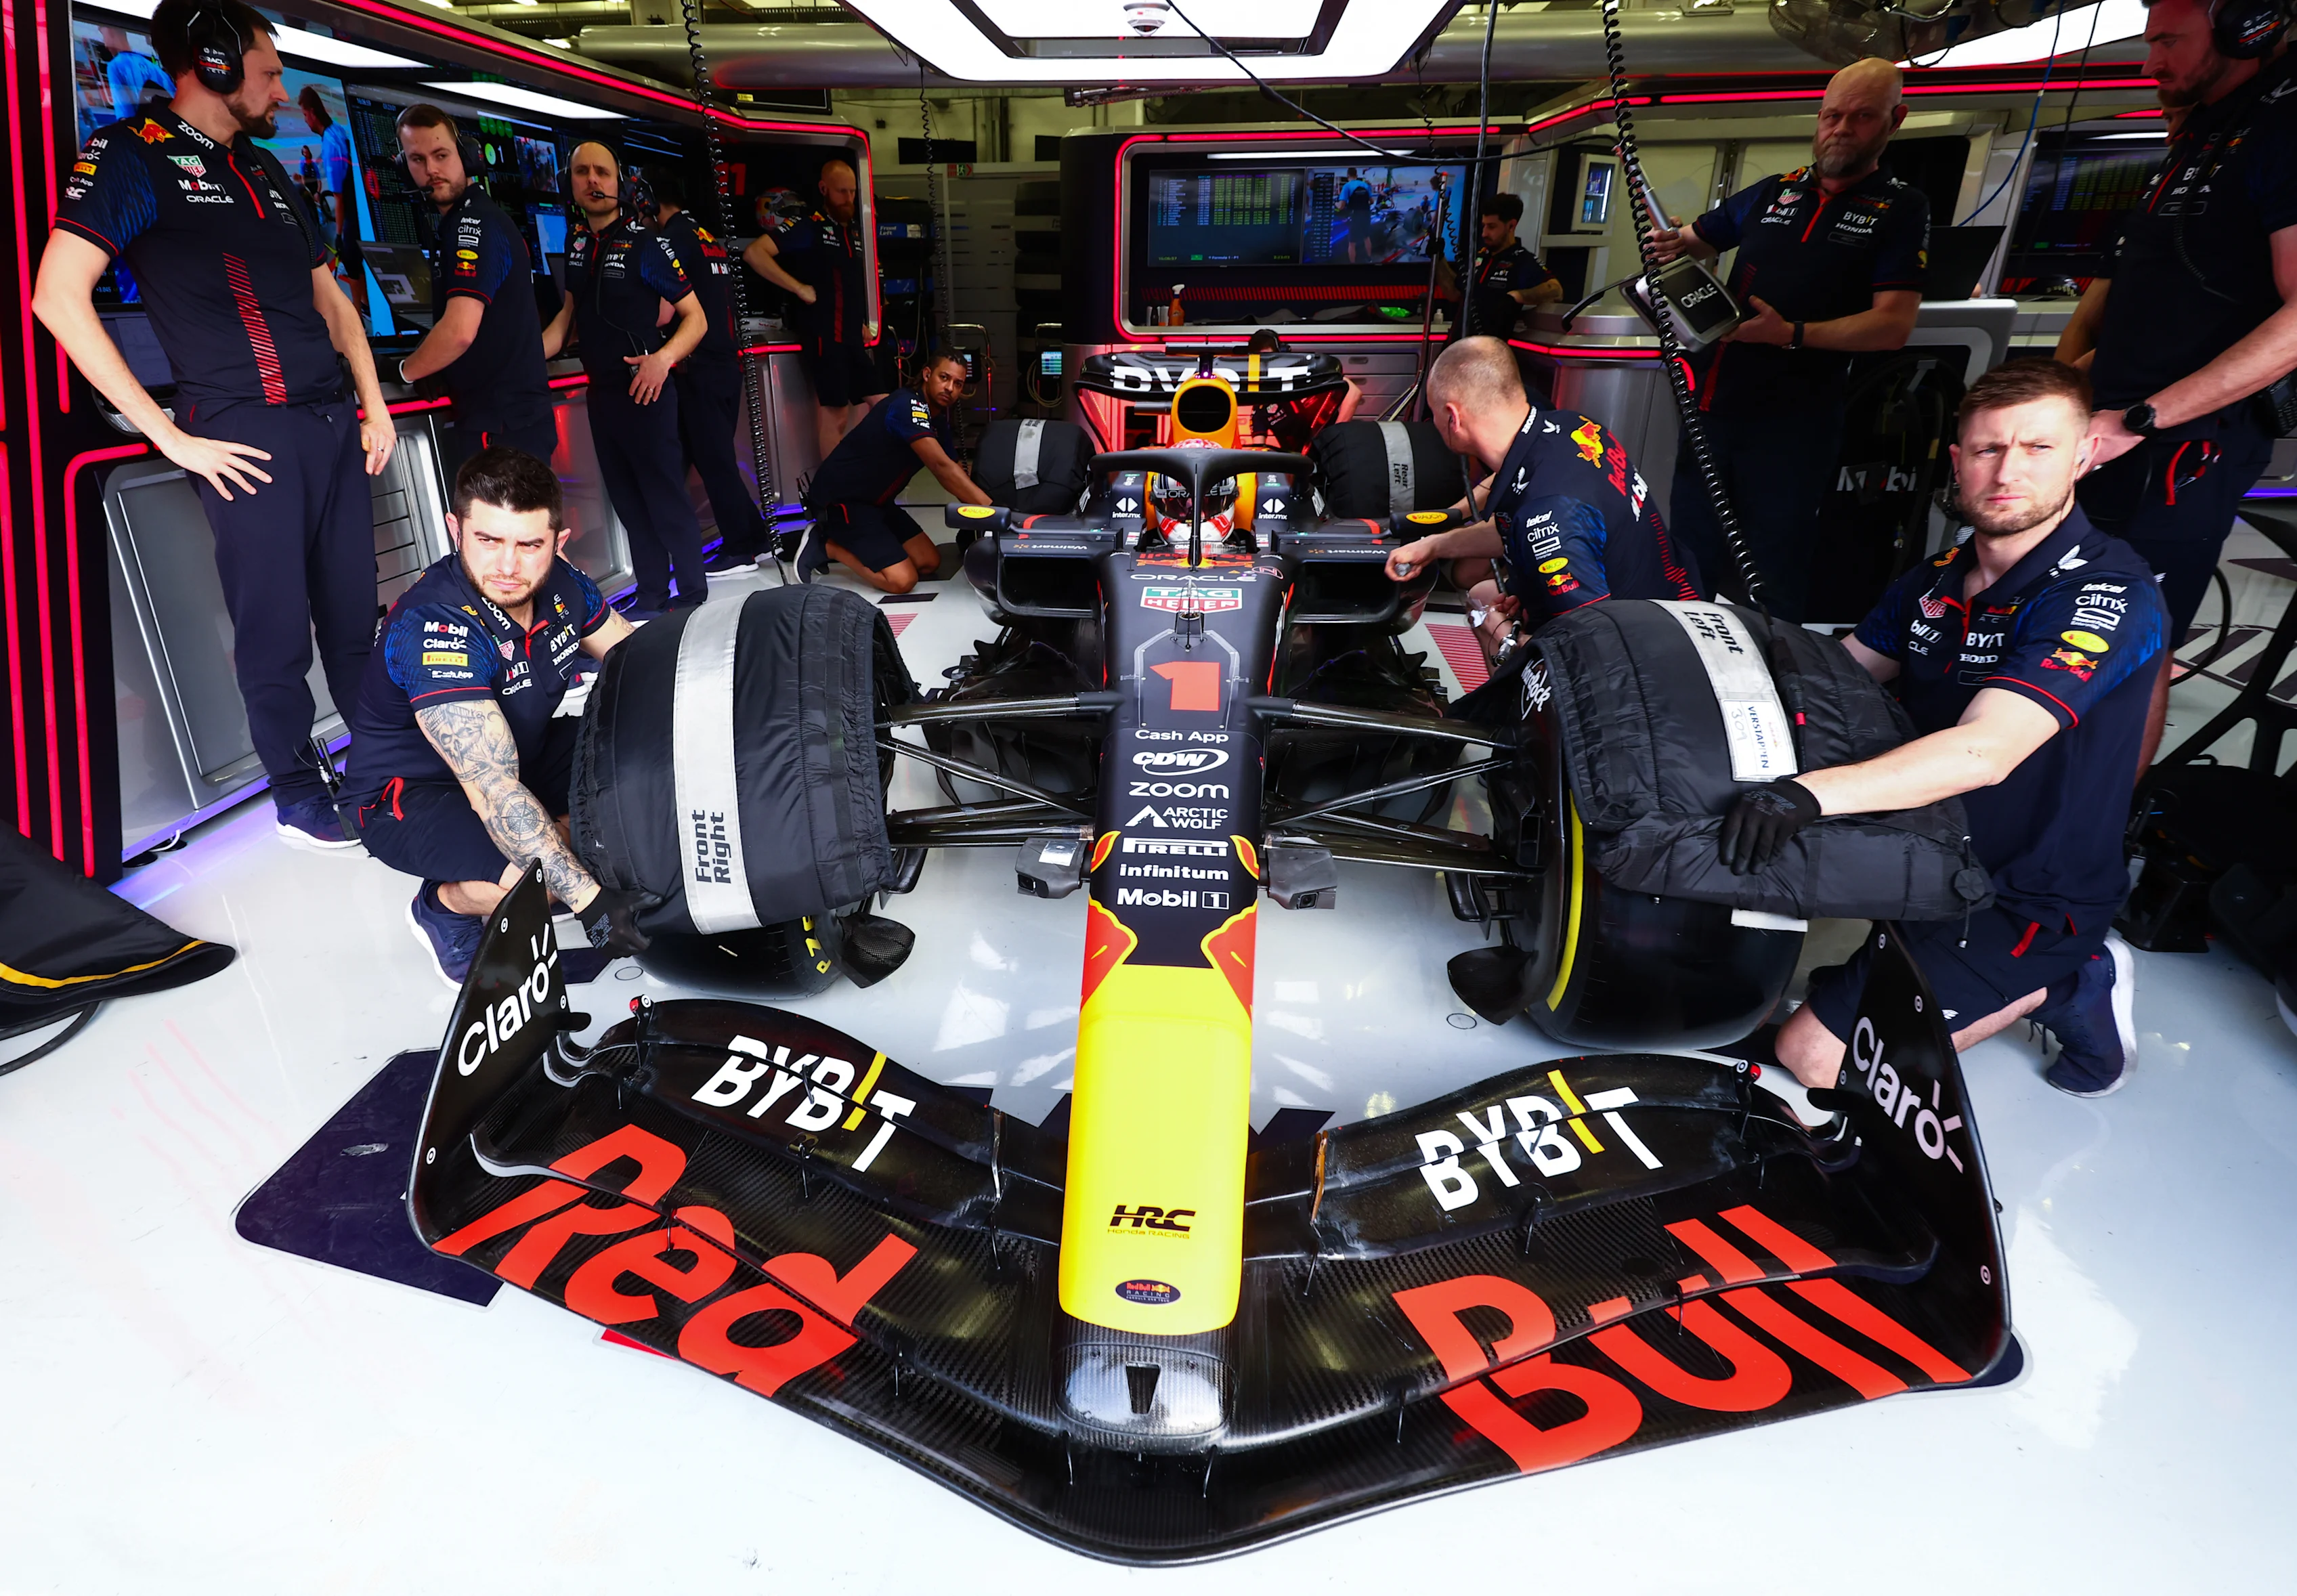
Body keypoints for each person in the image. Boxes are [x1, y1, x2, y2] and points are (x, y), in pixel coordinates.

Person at [1724, 361, 2164, 1099]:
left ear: (2084, 455)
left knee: (1812, 1058)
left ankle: (2070, 979)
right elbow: (1837, 679)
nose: (2006, 471)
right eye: (1987, 450)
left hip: (2025, 897)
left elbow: (1985, 750)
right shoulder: (1933, 578)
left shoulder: (2105, 594)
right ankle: (1890, 980)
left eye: (2037, 448)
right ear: (1956, 461)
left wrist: (1800, 795)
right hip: (1923, 859)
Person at [35, 0, 395, 850]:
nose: (280, 88)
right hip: (243, 433)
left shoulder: (265, 169)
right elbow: (56, 296)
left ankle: (382, 774)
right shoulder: (129, 156)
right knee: (273, 630)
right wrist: (167, 433)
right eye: (269, 72)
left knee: (354, 617)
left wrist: (372, 403)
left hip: (332, 423)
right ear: (217, 66)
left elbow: (333, 302)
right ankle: (300, 795)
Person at [2065, 0, 2297, 766]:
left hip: (2178, 442)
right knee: (2070, 625)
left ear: (2246, 27)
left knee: (2132, 642)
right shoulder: (2204, 128)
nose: (2148, 62)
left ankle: (2091, 856)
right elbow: (2162, 303)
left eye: (2168, 40)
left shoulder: (2283, 125)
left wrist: (2140, 417)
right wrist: (2063, 391)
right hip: (2115, 428)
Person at [340, 448, 651, 984]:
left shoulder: (566, 587)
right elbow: (493, 789)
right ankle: (443, 905)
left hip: (523, 752)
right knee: (542, 881)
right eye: (488, 540)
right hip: (410, 793)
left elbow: (639, 664)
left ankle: (554, 840)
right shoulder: (435, 627)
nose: (508, 567)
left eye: (529, 545)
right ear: (455, 529)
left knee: (645, 770)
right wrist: (592, 903)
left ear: (559, 540)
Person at [1648, 58, 1929, 623]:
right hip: (1713, 404)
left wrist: (1793, 334)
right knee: (1690, 559)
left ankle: (1777, 683)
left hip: (1794, 425)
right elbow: (1691, 241)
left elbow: (1894, 324)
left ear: (1894, 121)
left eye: (1861, 117)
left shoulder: (1901, 207)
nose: (1841, 129)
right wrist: (1668, 239)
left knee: (1772, 569)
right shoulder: (1772, 191)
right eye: (1831, 116)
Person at [1381, 336, 1704, 653]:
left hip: (1647, 654)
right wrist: (1433, 545)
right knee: (1485, 591)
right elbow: (1513, 530)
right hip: (1676, 601)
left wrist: (1513, 642)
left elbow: (1593, 650)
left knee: (1486, 615)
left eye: (1434, 413)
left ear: (1453, 417)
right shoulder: (1572, 426)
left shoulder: (1547, 513)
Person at [541, 141, 711, 620]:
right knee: (629, 504)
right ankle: (654, 595)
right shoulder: (576, 244)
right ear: (568, 182)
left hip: (647, 389)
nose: (592, 181)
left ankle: (694, 596)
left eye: (602, 172)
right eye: (581, 172)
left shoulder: (647, 241)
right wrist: (523, 357)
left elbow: (695, 318)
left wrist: (663, 359)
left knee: (665, 498)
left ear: (622, 183)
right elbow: (567, 319)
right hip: (603, 394)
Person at [392, 104, 555, 465]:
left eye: (441, 155)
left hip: (501, 426)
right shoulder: (469, 219)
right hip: (511, 421)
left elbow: (460, 331)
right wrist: (437, 366)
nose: (432, 170)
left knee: (500, 523)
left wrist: (404, 370)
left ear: (466, 157)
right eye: (417, 159)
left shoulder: (472, 223)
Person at [794, 348, 991, 595]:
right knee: (902, 581)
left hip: (877, 503)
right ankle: (826, 546)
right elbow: (941, 468)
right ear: (927, 374)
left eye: (958, 384)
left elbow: (955, 469)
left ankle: (851, 542)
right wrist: (993, 512)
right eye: (945, 378)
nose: (950, 388)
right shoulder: (907, 405)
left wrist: (994, 496)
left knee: (929, 562)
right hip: (843, 501)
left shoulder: (936, 418)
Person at [652, 170, 772, 572]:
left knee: (715, 460)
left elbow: (666, 311)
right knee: (714, 458)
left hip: (699, 364)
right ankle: (757, 536)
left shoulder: (671, 241)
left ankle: (740, 549)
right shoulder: (705, 237)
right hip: (726, 363)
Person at [744, 157, 886, 458]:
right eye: (841, 192)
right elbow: (755, 254)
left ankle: (862, 479)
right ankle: (830, 496)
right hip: (824, 337)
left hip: (851, 337)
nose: (849, 199)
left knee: (882, 405)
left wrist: (860, 319)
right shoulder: (808, 227)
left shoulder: (854, 231)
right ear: (824, 189)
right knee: (836, 416)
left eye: (852, 192)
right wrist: (798, 288)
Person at [1449, 193, 1562, 340]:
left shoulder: (1522, 260)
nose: (1484, 233)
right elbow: (1454, 293)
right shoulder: (1479, 256)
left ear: (1511, 225)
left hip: (1491, 350)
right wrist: (1438, 259)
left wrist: (1517, 296)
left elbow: (1556, 290)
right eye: (1484, 226)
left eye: (1492, 227)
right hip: (1458, 344)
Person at [1242, 326, 1360, 452]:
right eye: (1260, 360)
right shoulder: (1260, 407)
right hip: (1302, 462)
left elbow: (1354, 393)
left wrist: (1336, 435)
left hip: (1334, 450)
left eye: (1268, 358)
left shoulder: (1304, 372)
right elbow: (1258, 449)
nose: (1265, 366)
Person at [295, 85, 354, 262]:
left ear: (313, 113)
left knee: (353, 269)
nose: (305, 120)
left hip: (351, 216)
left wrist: (339, 236)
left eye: (305, 115)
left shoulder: (329, 145)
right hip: (354, 207)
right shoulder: (336, 129)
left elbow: (340, 198)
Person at [100, 26, 171, 129]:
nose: (105, 44)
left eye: (103, 35)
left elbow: (126, 121)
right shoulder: (158, 70)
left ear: (111, 31)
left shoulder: (116, 66)